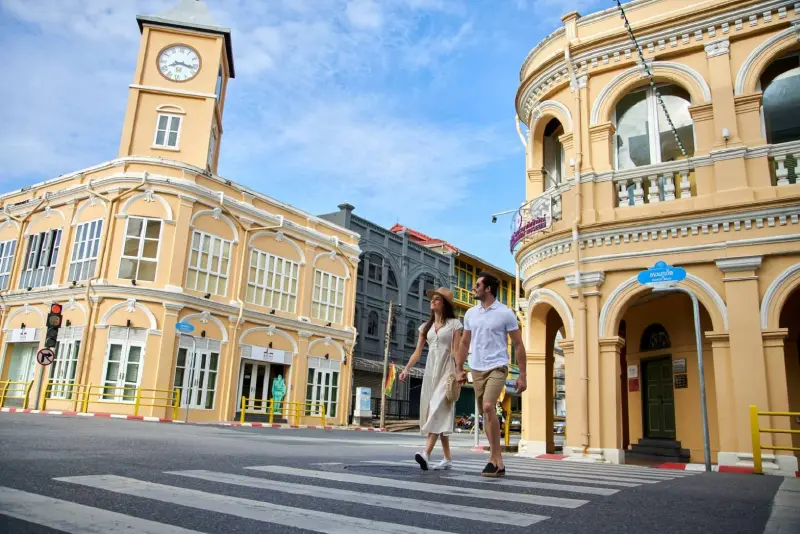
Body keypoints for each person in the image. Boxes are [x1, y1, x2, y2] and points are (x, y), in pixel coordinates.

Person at [454, 271, 527, 477]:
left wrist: (522, 375)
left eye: (477, 285)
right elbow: (464, 342)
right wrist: (459, 368)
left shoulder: (505, 313)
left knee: (488, 406)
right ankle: (496, 461)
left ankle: (495, 458)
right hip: (476, 368)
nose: (473, 288)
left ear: (488, 289)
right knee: (486, 413)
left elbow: (518, 344)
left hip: (498, 366)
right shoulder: (471, 314)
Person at [399, 287, 462, 471]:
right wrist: (406, 369)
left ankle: (425, 454)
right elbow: (417, 352)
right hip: (430, 372)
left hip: (447, 371)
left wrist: (459, 371)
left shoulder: (454, 325)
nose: (432, 301)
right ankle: (447, 458)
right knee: (438, 412)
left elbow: (456, 351)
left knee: (436, 408)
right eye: (432, 298)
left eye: (437, 299)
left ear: (444, 304)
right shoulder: (425, 328)